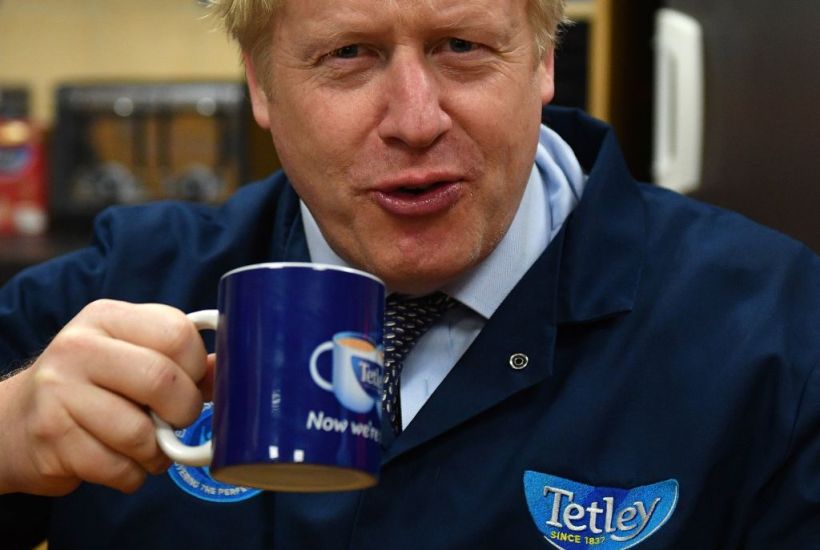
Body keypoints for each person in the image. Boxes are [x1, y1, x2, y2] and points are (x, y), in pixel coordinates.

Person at [0, 0, 818, 547]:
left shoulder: (774, 335)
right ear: (261, 83)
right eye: (348, 55)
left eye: (461, 46)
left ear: (542, 60)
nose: (416, 121)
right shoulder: (118, 288)